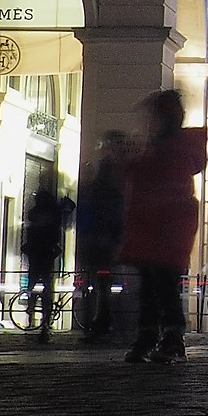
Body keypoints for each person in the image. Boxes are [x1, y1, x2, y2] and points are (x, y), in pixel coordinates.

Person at [118, 89, 208, 365]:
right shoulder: (165, 146)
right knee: (152, 286)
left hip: (164, 229)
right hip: (152, 228)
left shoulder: (170, 148)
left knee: (163, 286)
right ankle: (154, 336)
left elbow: (154, 179)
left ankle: (168, 337)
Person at [77, 132, 128, 342]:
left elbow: (101, 206)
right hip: (106, 239)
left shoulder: (108, 175)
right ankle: (103, 321)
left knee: (101, 284)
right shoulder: (114, 173)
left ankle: (101, 322)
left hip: (103, 240)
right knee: (102, 283)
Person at [21, 167, 69, 341]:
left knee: (33, 285)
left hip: (35, 253)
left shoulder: (35, 212)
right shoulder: (53, 213)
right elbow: (57, 231)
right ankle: (45, 322)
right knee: (47, 287)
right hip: (46, 254)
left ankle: (31, 317)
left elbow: (30, 228)